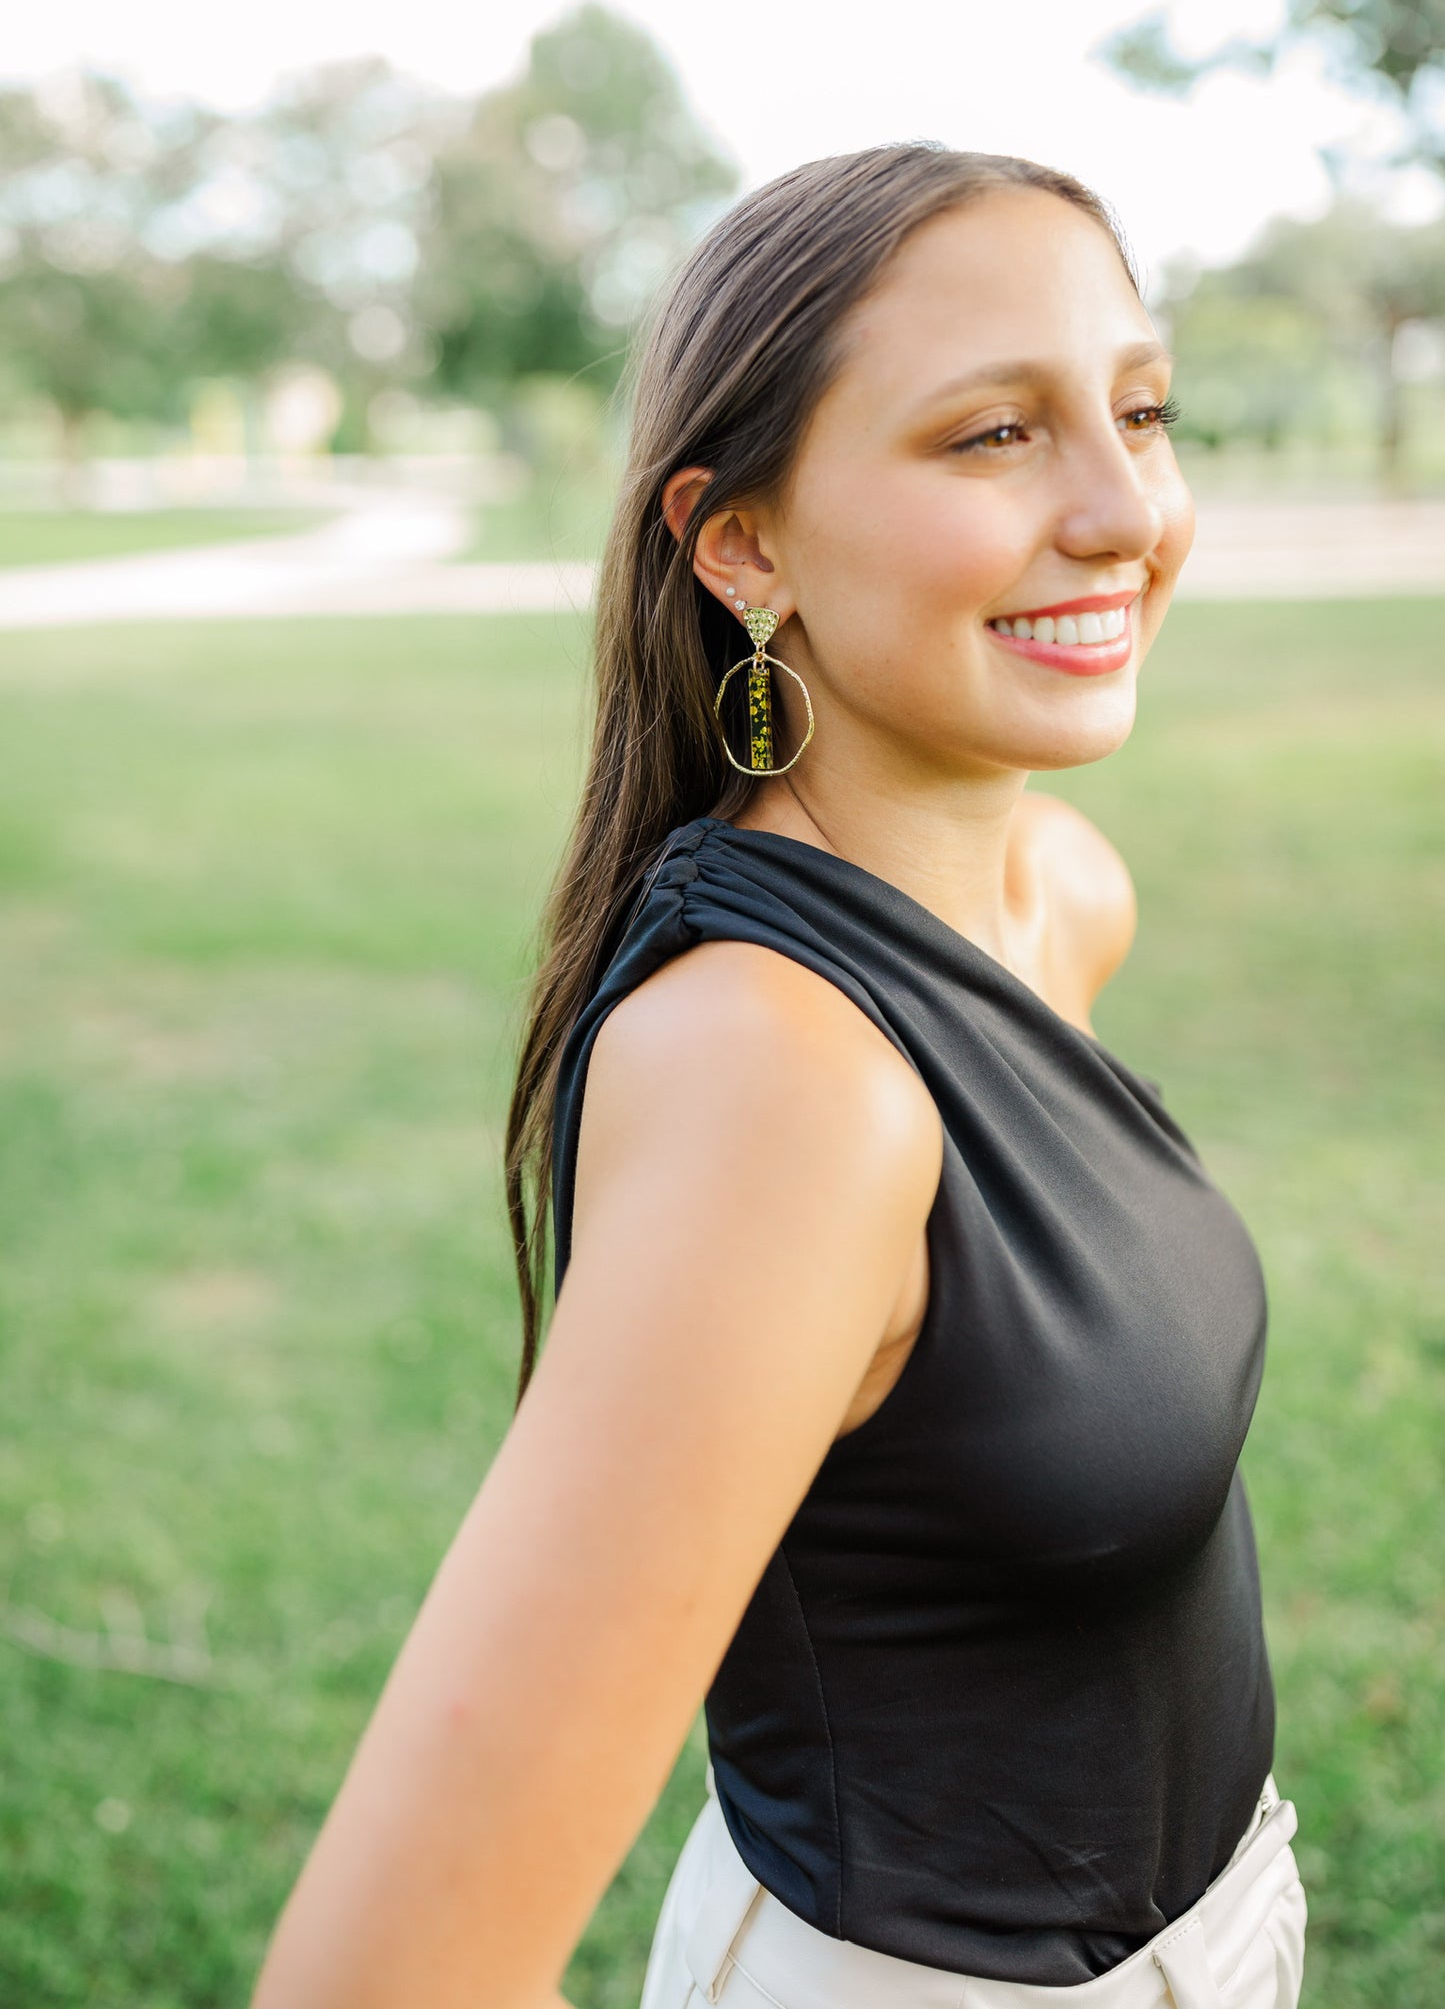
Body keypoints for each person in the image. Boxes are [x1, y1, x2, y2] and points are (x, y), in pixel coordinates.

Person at [250, 145, 1308, 2009]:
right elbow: (384, 1976)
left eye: (1139, 409)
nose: (1122, 507)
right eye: (993, 435)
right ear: (739, 541)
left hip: (1221, 1932)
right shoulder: (778, 1081)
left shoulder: (1061, 893)